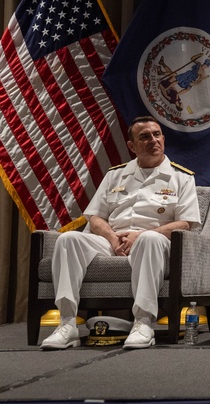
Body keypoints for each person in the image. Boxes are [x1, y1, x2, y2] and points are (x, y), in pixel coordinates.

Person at [40, 116, 200, 350]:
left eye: (156, 135)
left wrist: (141, 234)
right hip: (113, 241)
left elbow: (185, 223)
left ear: (164, 139)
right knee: (68, 239)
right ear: (132, 146)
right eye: (144, 137)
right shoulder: (115, 175)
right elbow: (94, 217)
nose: (153, 140)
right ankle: (67, 324)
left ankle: (143, 322)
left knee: (149, 239)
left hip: (155, 242)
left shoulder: (181, 178)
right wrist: (113, 238)